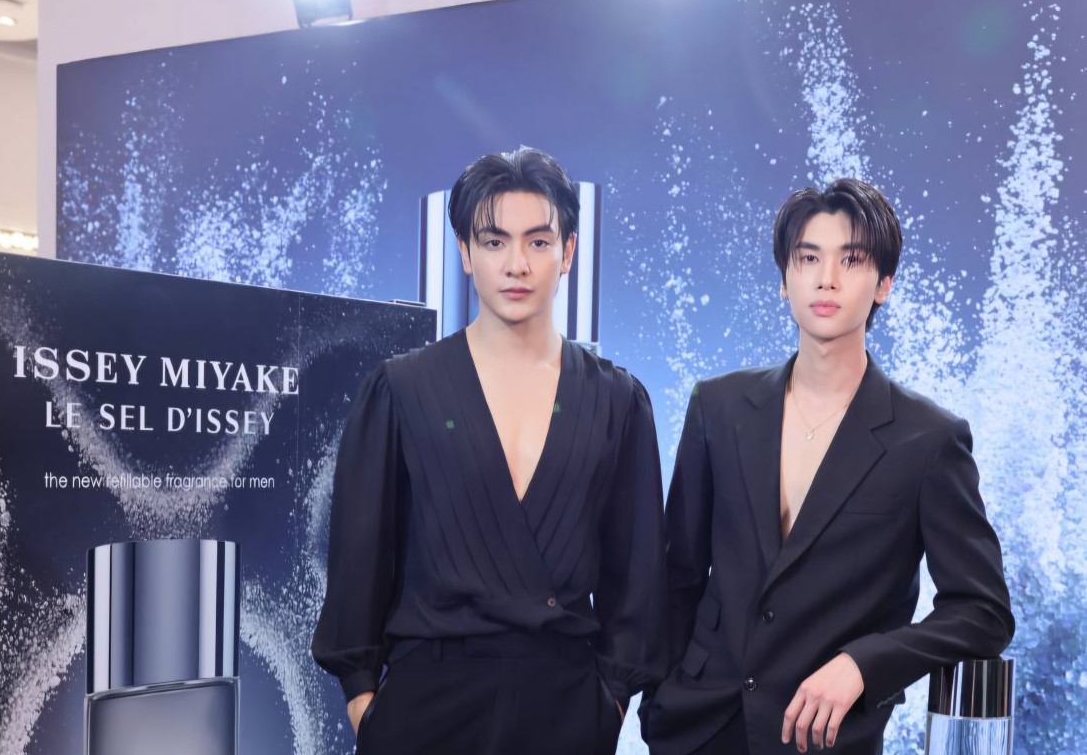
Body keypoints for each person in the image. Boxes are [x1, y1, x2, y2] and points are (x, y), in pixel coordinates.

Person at [312, 147, 667, 755]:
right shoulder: (401, 389)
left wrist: (609, 702)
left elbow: (636, 575)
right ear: (465, 253)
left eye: (538, 242)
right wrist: (363, 700)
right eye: (495, 241)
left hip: (567, 706)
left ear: (568, 252)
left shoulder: (616, 400)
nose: (516, 265)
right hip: (424, 705)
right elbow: (359, 558)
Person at [642, 179, 1014, 754]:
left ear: (884, 284)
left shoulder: (929, 439)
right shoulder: (717, 406)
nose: (827, 278)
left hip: (825, 737)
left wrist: (864, 664)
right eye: (809, 258)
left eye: (852, 260)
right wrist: (658, 701)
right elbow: (679, 577)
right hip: (699, 727)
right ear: (785, 279)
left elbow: (983, 611)